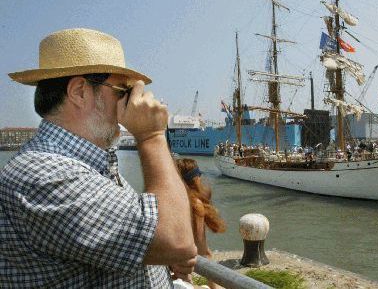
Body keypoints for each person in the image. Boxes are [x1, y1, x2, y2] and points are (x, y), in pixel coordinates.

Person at [0, 28, 197, 288]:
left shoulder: (89, 164)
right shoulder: (44, 174)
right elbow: (177, 239)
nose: (128, 103)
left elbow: (154, 237)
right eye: (121, 91)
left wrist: (158, 255)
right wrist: (151, 136)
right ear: (80, 92)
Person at [175, 159, 226, 289]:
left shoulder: (177, 199)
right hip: (189, 249)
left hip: (177, 247)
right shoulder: (196, 204)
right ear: (195, 178)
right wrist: (204, 252)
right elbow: (199, 238)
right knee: (207, 254)